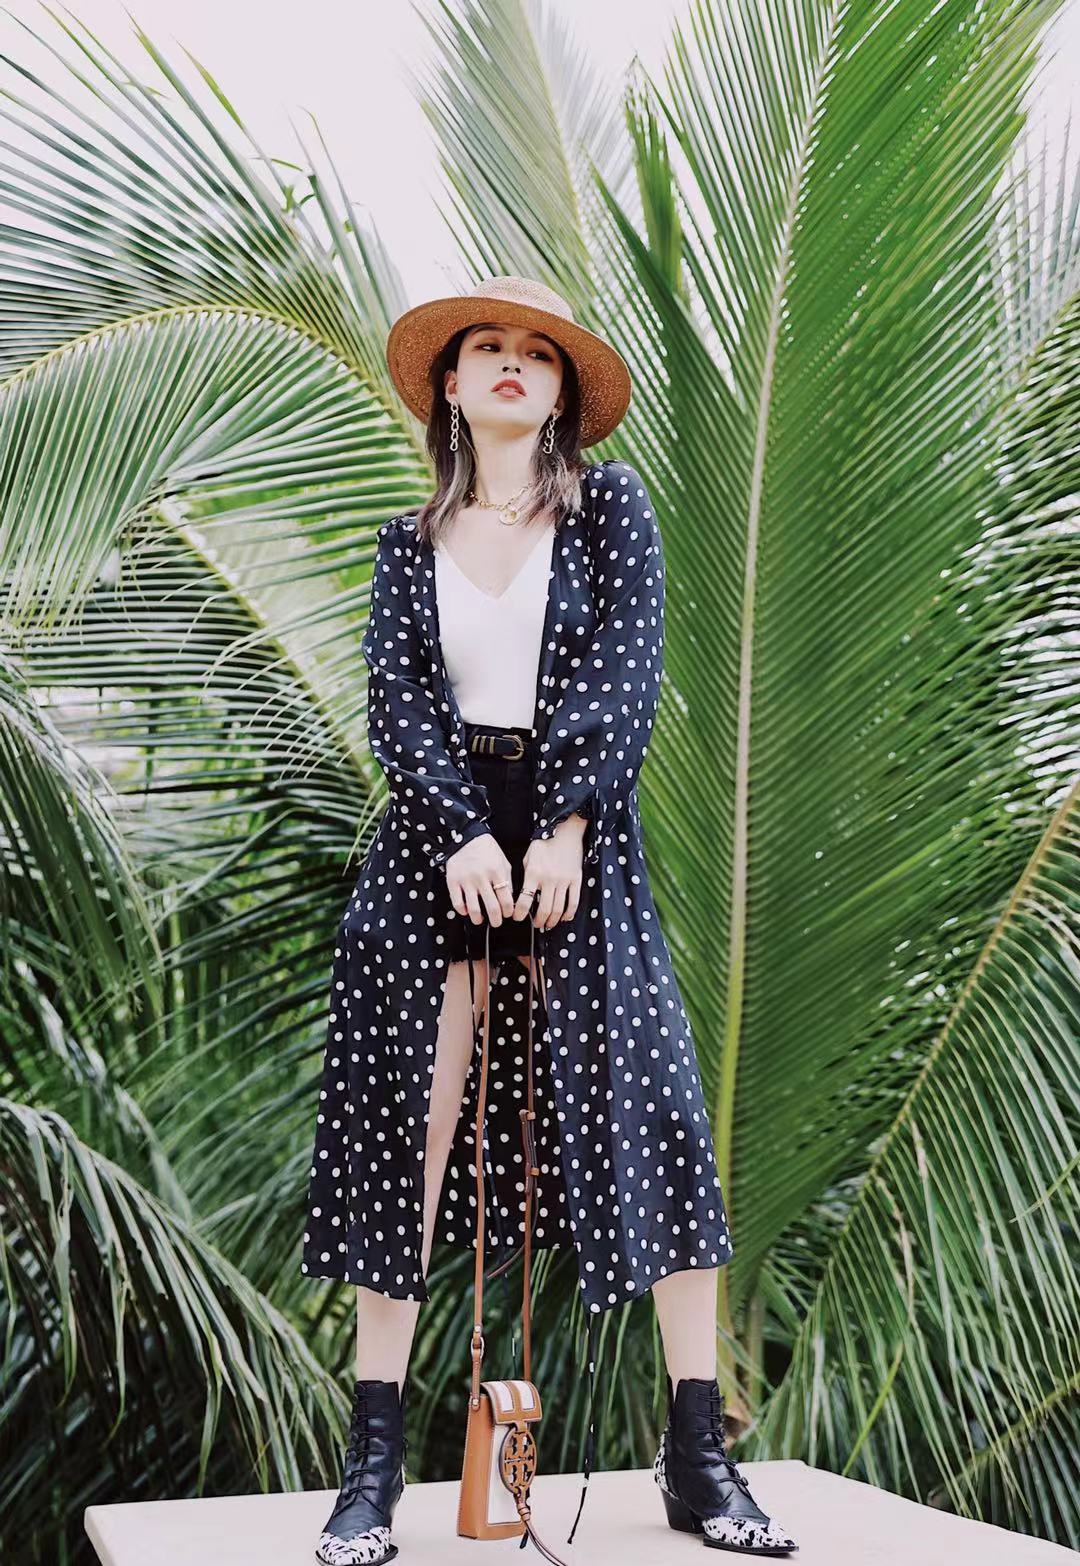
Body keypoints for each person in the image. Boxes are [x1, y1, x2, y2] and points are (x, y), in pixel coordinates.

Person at [304, 276, 799, 1564]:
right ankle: (371, 1469)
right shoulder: (406, 543)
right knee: (404, 1131)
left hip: (584, 838)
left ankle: (699, 1457)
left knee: (660, 1112)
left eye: (538, 351)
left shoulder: (610, 511)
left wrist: (566, 823)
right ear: (451, 384)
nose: (512, 363)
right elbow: (397, 697)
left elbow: (628, 674)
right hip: (435, 843)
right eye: (487, 347)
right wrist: (464, 831)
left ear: (565, 390)